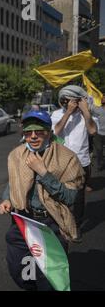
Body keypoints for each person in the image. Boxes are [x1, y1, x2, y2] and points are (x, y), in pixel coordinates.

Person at [0, 110, 84, 291]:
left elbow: (70, 197)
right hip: (22, 220)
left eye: (39, 131)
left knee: (49, 278)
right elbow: (14, 181)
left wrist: (44, 172)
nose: (33, 136)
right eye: (28, 132)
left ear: (49, 132)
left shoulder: (67, 158)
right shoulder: (16, 155)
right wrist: (7, 199)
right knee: (19, 269)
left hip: (50, 225)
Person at [51, 85, 98, 238]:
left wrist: (85, 111)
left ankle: (76, 225)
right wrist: (68, 113)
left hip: (81, 161)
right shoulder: (57, 114)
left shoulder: (87, 115)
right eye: (65, 100)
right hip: (61, 161)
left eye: (72, 101)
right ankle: (61, 222)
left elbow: (93, 131)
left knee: (78, 197)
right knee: (59, 193)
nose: (68, 103)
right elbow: (55, 132)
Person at [91, 95, 105, 171]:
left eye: (104, 97)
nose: (103, 99)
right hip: (99, 134)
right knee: (99, 150)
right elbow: (89, 107)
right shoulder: (97, 109)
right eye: (102, 98)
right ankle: (99, 165)